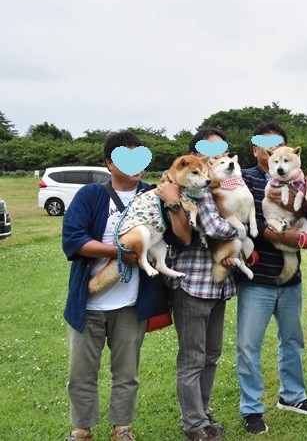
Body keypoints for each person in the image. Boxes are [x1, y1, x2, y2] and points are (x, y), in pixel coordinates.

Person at [62, 130, 191, 441]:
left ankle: (122, 428)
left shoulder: (154, 194)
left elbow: (182, 238)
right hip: (89, 304)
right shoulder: (90, 196)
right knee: (81, 374)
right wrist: (122, 253)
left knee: (127, 374)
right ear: (110, 163)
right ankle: (82, 429)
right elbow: (74, 241)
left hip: (131, 304)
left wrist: (174, 203)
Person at [236, 121, 307, 434]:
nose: (272, 150)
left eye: (278, 144)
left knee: (293, 340)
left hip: (290, 277)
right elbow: (247, 220)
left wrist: (297, 221)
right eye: (265, 144)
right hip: (256, 278)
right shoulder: (244, 178)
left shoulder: (298, 178)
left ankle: (293, 396)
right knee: (248, 345)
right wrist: (281, 235)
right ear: (255, 149)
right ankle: (251, 408)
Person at [166, 127, 242, 441]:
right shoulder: (193, 187)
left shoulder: (217, 184)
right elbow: (213, 227)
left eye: (222, 149)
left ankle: (203, 413)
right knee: (193, 358)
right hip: (192, 285)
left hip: (217, 285)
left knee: (211, 354)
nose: (218, 155)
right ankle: (194, 425)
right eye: (210, 150)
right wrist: (242, 230)